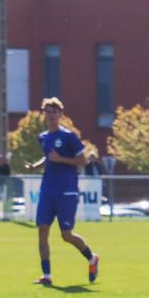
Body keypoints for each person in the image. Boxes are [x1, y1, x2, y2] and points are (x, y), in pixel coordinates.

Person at [24, 98, 99, 285]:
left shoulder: (69, 137)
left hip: (66, 190)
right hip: (47, 189)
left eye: (54, 112)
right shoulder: (43, 137)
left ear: (60, 114)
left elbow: (82, 161)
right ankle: (47, 275)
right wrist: (36, 166)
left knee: (66, 235)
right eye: (48, 111)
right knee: (42, 230)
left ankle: (92, 258)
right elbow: (49, 157)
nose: (51, 115)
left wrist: (61, 160)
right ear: (44, 114)